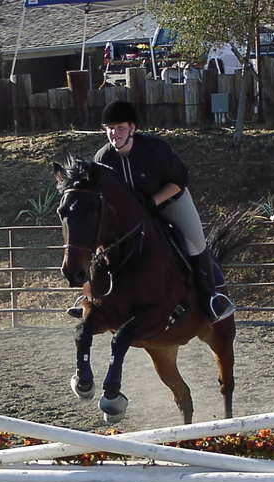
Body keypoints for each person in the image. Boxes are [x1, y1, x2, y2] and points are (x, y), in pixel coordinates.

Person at [67, 99, 235, 323]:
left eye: (120, 128)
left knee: (195, 242)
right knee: (99, 243)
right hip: (130, 215)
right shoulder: (103, 158)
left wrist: (153, 202)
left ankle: (211, 299)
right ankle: (92, 299)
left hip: (170, 202)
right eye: (110, 128)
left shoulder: (155, 149)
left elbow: (179, 181)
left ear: (132, 128)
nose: (115, 134)